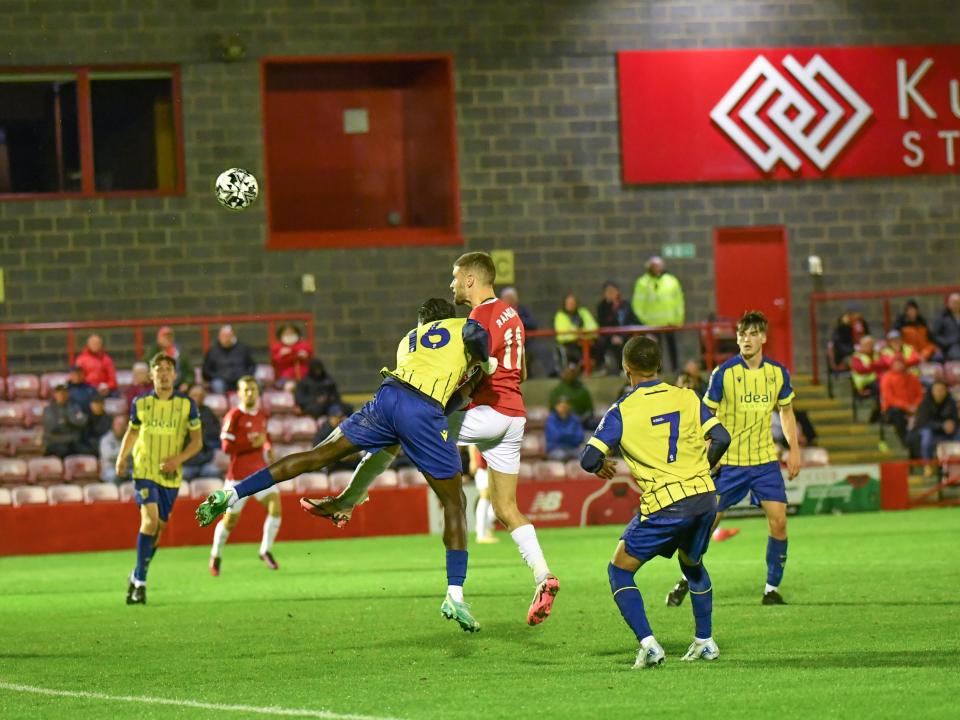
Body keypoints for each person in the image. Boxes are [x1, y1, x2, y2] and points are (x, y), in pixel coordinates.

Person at [196, 298, 496, 633]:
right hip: (422, 407)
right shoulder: (461, 327)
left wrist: (464, 388)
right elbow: (474, 337)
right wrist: (485, 362)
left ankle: (233, 495)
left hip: (387, 397)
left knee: (319, 455)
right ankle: (455, 593)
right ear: (447, 318)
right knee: (455, 502)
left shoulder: (409, 339)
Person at [580, 335, 731, 668]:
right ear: (659, 365)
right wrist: (700, 470)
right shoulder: (688, 396)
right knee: (692, 564)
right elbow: (721, 437)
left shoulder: (622, 410)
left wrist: (602, 465)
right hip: (704, 497)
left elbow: (589, 458)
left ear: (626, 367)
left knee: (619, 570)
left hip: (665, 503)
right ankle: (705, 642)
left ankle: (649, 645)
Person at [666, 310, 801, 607]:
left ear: (763, 337)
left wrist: (794, 448)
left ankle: (771, 588)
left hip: (765, 462)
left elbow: (786, 411)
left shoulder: (778, 373)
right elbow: (706, 416)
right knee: (708, 525)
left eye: (752, 333)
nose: (746, 339)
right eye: (741, 334)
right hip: (728, 463)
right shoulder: (723, 374)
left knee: (778, 523)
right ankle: (686, 580)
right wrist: (706, 455)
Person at [116, 353, 203, 605]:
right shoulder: (140, 403)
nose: (163, 373)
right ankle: (141, 584)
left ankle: (136, 575)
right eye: (158, 368)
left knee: (159, 529)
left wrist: (179, 458)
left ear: (174, 375)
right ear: (151, 374)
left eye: (168, 369)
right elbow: (132, 432)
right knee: (150, 520)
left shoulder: (187, 405)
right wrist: (122, 458)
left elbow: (197, 442)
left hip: (170, 476)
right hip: (144, 470)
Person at [209, 376, 281, 575]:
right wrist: (252, 444)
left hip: (260, 473)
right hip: (238, 478)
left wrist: (267, 448)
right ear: (239, 393)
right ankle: (216, 555)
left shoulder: (262, 415)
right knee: (229, 521)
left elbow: (264, 438)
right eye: (246, 390)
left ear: (258, 392)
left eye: (253, 389)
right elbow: (226, 447)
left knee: (276, 507)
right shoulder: (234, 416)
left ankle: (265, 550)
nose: (250, 393)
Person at [631, 256, 685, 371]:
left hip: (670, 323)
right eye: (655, 266)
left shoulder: (671, 281)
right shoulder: (643, 283)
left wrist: (679, 319)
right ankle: (657, 371)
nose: (657, 269)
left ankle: (675, 370)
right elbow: (637, 304)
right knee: (655, 350)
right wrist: (644, 321)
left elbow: (679, 301)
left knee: (672, 347)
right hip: (652, 324)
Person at [500, 286, 554, 377]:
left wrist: (518, 319)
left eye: (512, 298)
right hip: (506, 343)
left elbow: (533, 324)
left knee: (543, 350)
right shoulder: (499, 312)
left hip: (526, 342)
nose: (510, 301)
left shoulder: (523, 310)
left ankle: (552, 372)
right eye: (507, 298)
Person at [909, 380, 960, 471]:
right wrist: (942, 425)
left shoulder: (951, 402)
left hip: (946, 431)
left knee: (958, 433)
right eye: (937, 390)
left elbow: (955, 419)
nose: (939, 392)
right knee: (926, 435)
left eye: (942, 389)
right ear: (932, 391)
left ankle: (954, 465)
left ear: (946, 391)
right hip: (928, 429)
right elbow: (923, 422)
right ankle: (927, 464)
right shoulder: (925, 403)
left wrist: (952, 425)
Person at [595, 281, 639, 374]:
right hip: (610, 336)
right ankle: (621, 369)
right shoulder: (602, 307)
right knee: (614, 344)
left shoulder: (625, 305)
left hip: (626, 335)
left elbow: (634, 320)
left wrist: (647, 332)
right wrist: (612, 336)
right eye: (608, 292)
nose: (611, 294)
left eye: (613, 291)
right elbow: (603, 325)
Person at [181, 385, 223, 480]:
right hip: (186, 464)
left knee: (217, 473)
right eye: (194, 395)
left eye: (200, 395)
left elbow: (214, 435)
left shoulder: (208, 413)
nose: (197, 398)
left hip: (205, 462)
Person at [880, 357, 923, 447]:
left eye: (901, 363)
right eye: (896, 363)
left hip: (913, 408)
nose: (899, 365)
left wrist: (915, 405)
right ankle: (904, 440)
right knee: (897, 412)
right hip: (894, 410)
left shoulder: (913, 377)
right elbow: (889, 398)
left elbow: (920, 394)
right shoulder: (887, 377)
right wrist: (906, 406)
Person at [203, 325, 257, 394]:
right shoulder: (212, 351)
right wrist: (219, 376)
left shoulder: (243, 349)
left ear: (233, 336)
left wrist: (245, 375)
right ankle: (222, 404)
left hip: (241, 379)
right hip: (221, 380)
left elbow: (252, 366)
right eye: (222, 336)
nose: (225, 339)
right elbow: (206, 371)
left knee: (252, 384)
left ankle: (247, 404)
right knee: (217, 384)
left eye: (227, 336)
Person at [42, 383, 90, 458]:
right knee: (64, 451)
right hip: (55, 442)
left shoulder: (74, 407)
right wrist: (73, 424)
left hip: (73, 442)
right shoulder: (48, 410)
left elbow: (83, 421)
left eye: (65, 392)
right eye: (60, 393)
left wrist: (68, 422)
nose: (62, 395)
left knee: (89, 452)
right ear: (55, 394)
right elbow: (52, 428)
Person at [554, 293, 600, 369]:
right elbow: (563, 332)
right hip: (570, 343)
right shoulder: (560, 315)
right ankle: (583, 364)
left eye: (572, 303)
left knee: (600, 343)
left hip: (587, 340)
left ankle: (595, 365)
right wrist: (579, 335)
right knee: (573, 349)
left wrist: (582, 334)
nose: (571, 305)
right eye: (568, 303)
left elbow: (593, 326)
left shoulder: (583, 312)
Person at [548, 362, 595, 428]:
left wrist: (582, 419)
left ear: (576, 374)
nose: (570, 374)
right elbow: (553, 409)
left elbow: (590, 410)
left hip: (581, 421)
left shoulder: (583, 391)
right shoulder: (557, 390)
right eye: (568, 372)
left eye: (573, 372)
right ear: (563, 374)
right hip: (562, 421)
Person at [147, 326, 193, 392]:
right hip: (158, 386)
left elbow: (190, 372)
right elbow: (147, 367)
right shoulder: (153, 351)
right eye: (164, 336)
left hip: (179, 386)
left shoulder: (181, 352)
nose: (167, 339)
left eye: (169, 336)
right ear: (158, 338)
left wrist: (187, 383)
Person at [270, 323, 313, 391]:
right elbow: (274, 361)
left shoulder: (304, 345)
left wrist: (303, 354)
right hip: (285, 377)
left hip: (303, 376)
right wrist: (281, 355)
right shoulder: (277, 347)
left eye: (292, 333)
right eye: (286, 334)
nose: (289, 336)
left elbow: (309, 355)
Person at [469, 446, 497, 544]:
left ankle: (484, 527)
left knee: (496, 501)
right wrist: (472, 460)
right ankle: (481, 535)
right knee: (485, 496)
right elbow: (472, 443)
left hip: (493, 465)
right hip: (483, 465)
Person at [545, 396, 584, 461]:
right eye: (561, 405)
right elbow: (555, 436)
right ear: (556, 406)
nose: (564, 408)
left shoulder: (575, 419)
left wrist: (564, 436)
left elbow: (580, 437)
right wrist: (571, 435)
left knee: (585, 455)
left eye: (566, 404)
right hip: (556, 449)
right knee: (561, 456)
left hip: (573, 448)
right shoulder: (551, 419)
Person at [100, 415, 129, 484]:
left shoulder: (129, 439)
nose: (120, 427)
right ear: (113, 426)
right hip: (110, 469)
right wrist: (126, 451)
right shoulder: (106, 439)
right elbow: (109, 455)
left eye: (122, 425)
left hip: (127, 470)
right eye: (118, 424)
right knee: (116, 476)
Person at [932, 293, 960, 361]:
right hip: (950, 348)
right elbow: (935, 335)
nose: (956, 305)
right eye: (953, 303)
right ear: (948, 304)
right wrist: (947, 342)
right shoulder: (942, 317)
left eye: (958, 302)